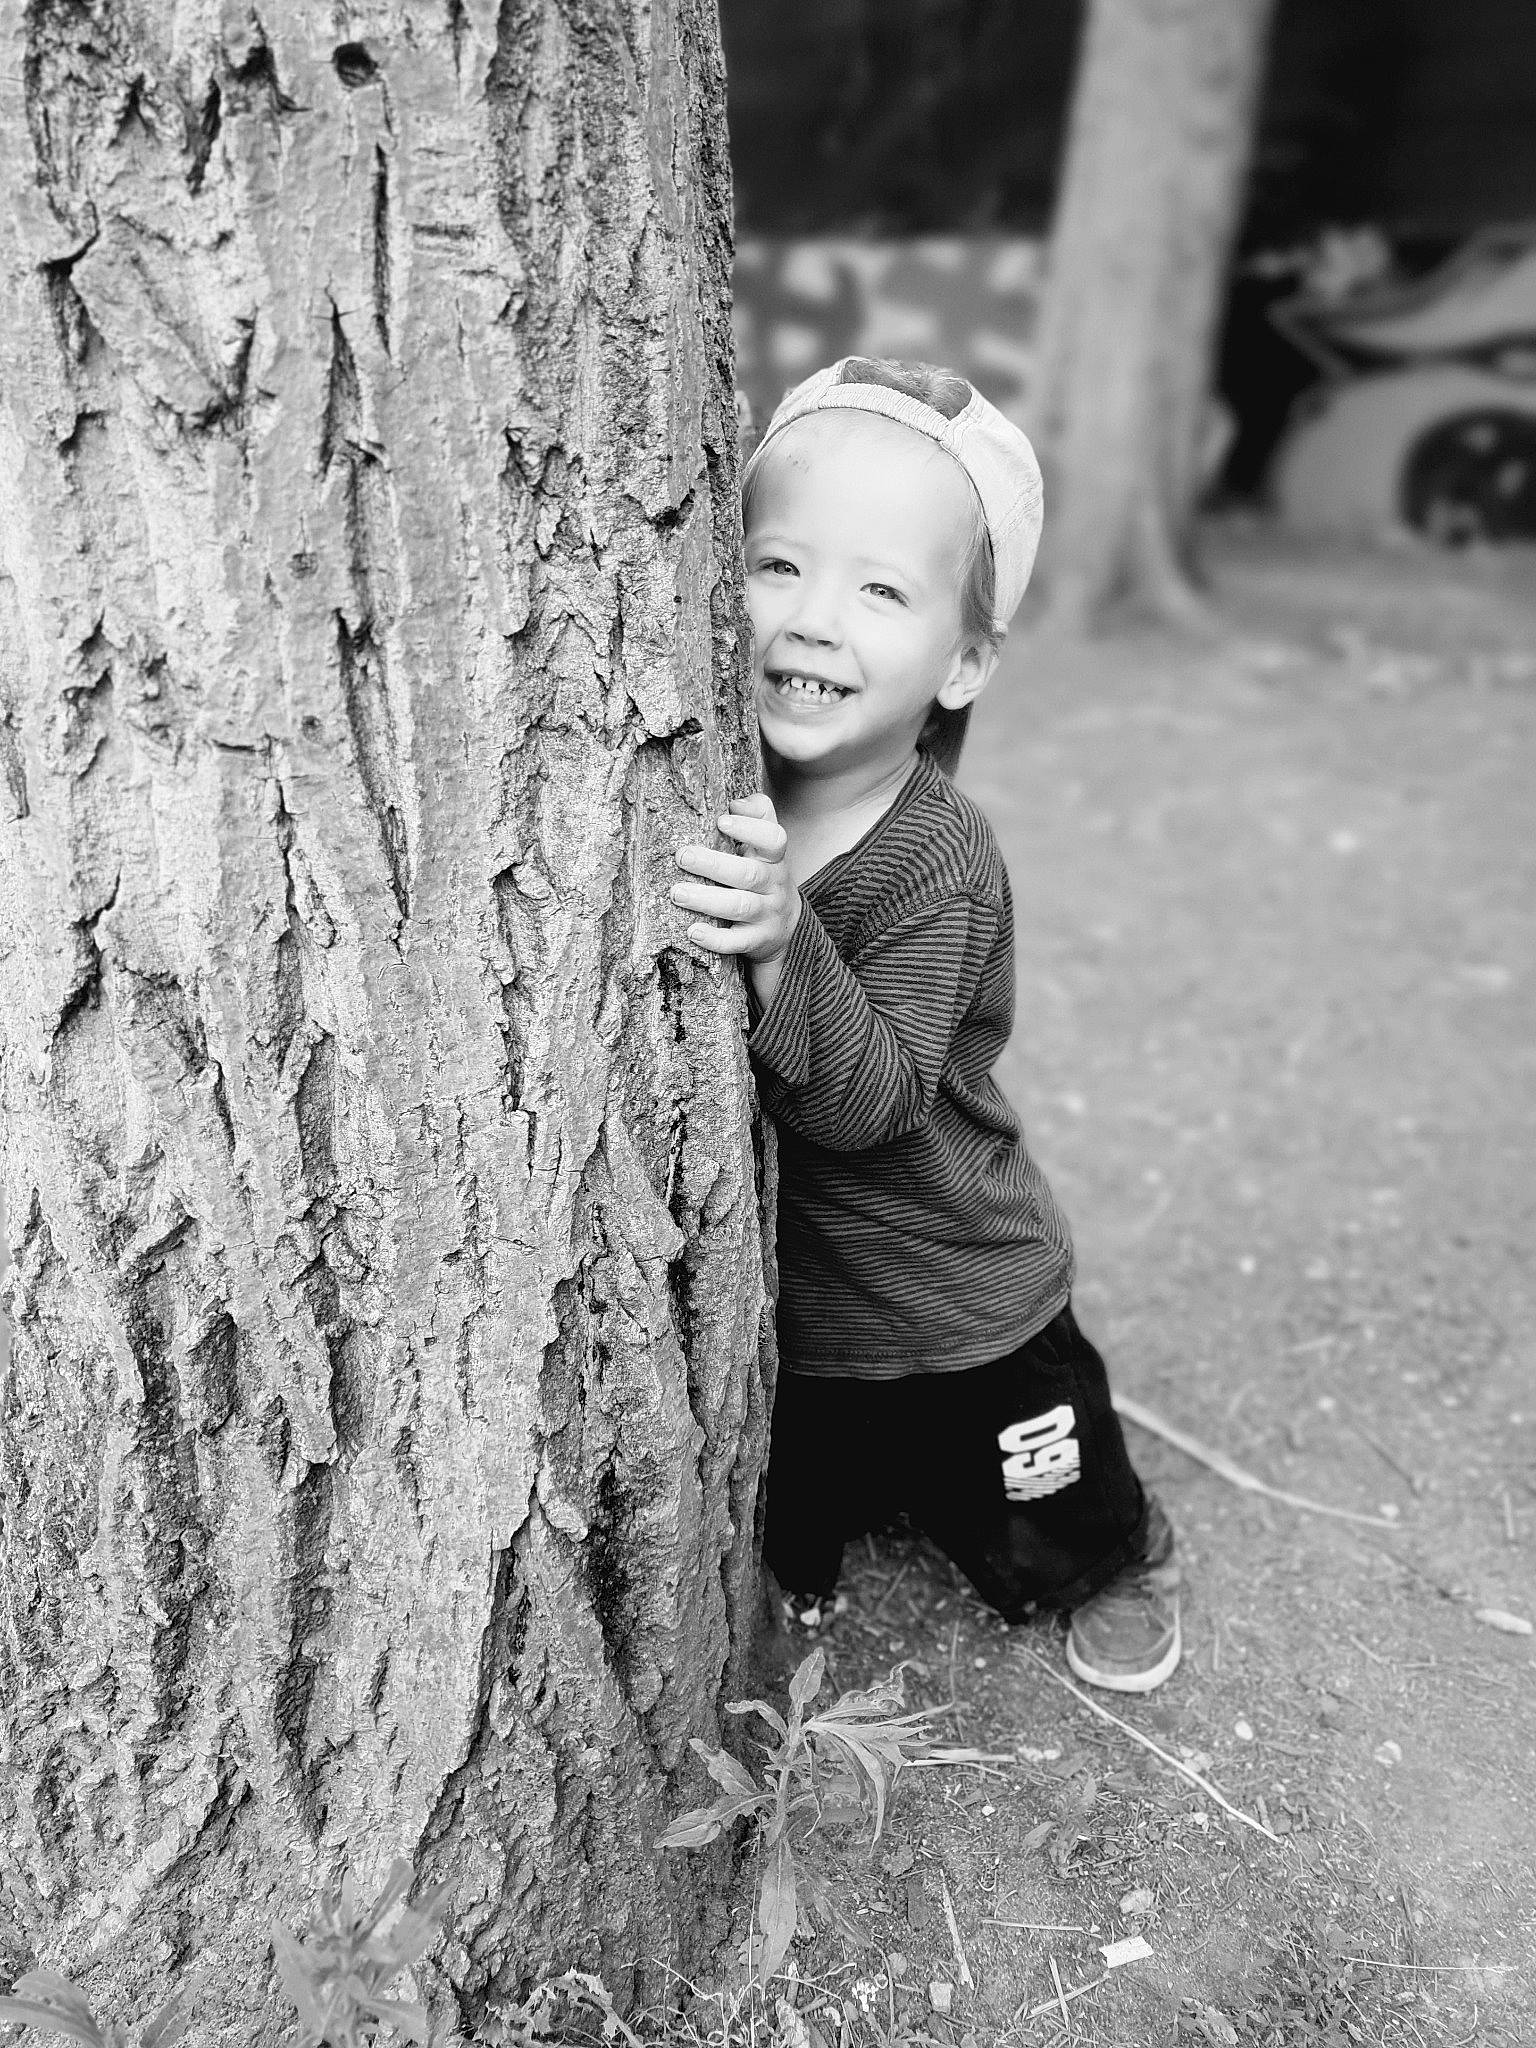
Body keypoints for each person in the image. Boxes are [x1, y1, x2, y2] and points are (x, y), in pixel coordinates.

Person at [668, 356, 1181, 1693]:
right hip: (803, 1301)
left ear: (963, 662)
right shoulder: (709, 779)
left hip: (960, 1283)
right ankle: (803, 1559)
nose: (814, 621)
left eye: (881, 589)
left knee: (1032, 1468)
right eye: (778, 566)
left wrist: (787, 936)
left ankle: (1095, 1557)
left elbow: (874, 1099)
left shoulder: (937, 858)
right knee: (811, 1470)